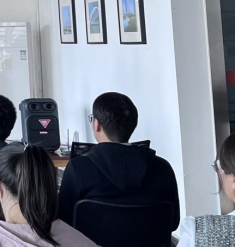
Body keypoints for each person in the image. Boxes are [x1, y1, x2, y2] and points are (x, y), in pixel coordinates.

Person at [58, 92, 180, 230]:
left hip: (90, 245)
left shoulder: (78, 168)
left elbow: (64, 223)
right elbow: (173, 223)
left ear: (97, 124)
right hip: (152, 245)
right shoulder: (162, 168)